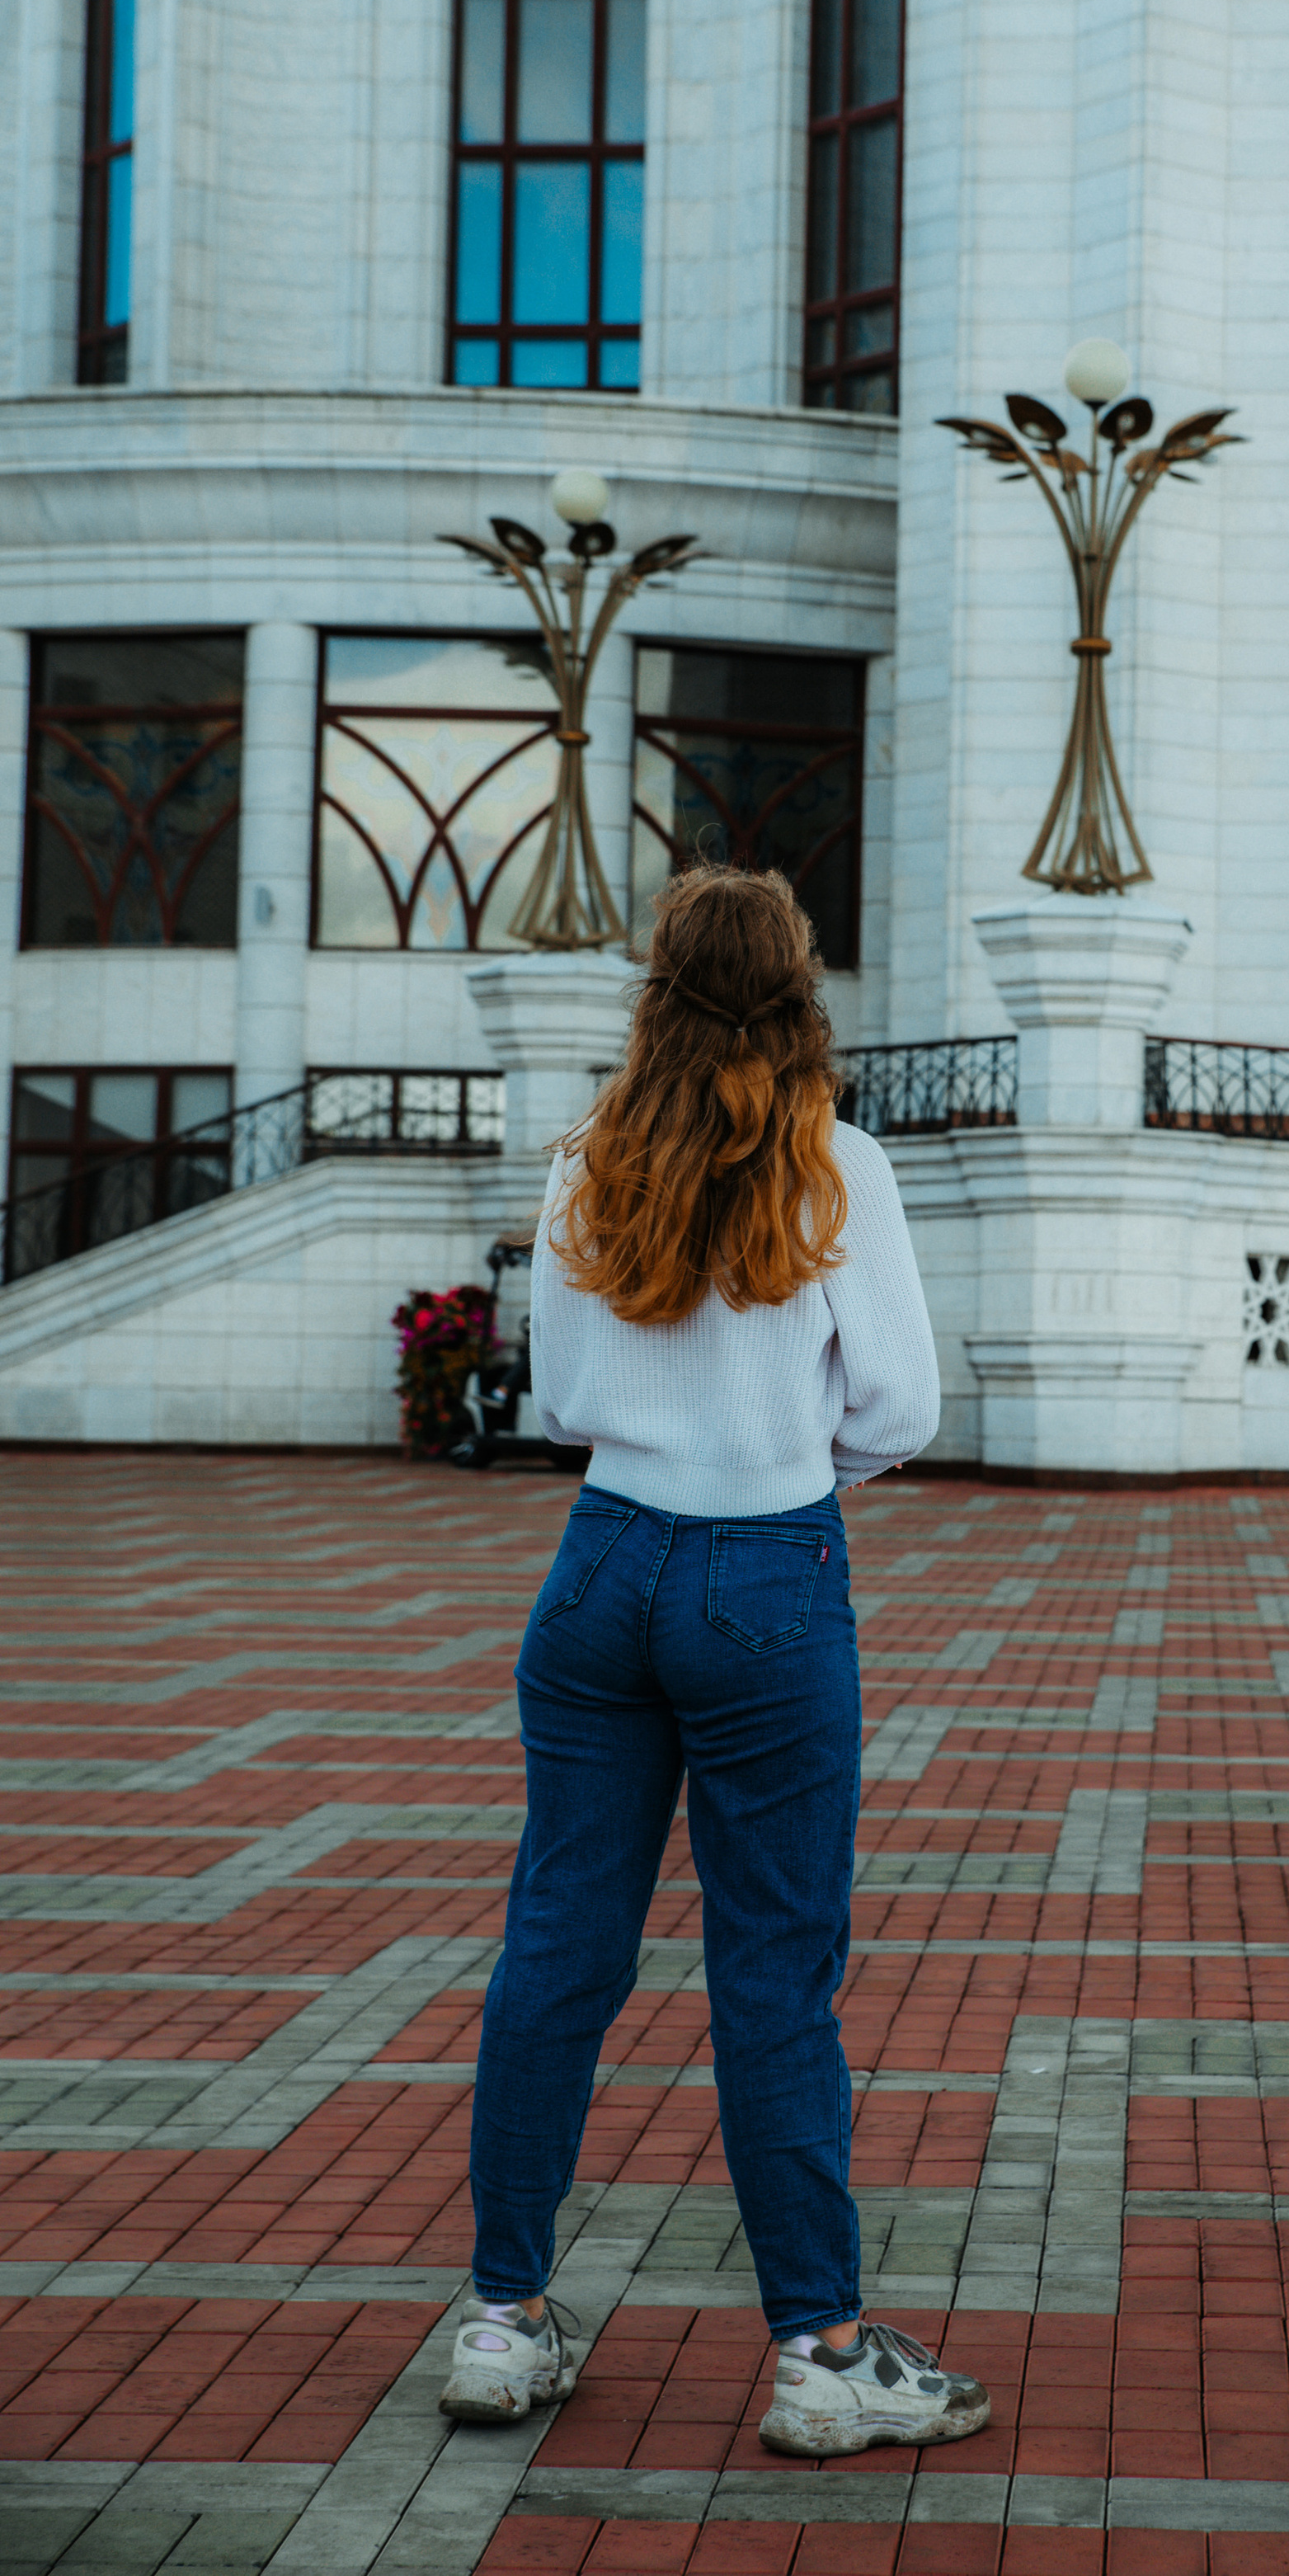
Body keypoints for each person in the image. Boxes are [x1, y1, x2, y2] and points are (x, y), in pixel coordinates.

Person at [440, 861, 984, 2459]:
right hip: (765, 1569)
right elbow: (900, 1409)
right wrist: (780, 1453)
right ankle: (819, 2352)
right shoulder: (839, 1168)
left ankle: (501, 2318)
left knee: (558, 1944)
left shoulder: (587, 1167)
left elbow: (555, 1404)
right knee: (770, 1972)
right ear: (801, 986)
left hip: (601, 1563)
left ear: (655, 990)